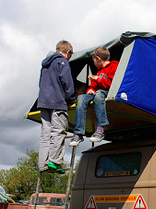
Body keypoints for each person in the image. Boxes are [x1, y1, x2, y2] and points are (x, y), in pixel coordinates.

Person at [37, 40, 75, 173]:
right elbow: (67, 82)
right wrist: (71, 99)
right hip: (58, 102)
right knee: (58, 131)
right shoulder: (62, 62)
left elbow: (40, 83)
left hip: (44, 102)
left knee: (45, 133)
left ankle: (43, 164)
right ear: (67, 52)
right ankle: (55, 161)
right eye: (70, 55)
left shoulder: (45, 65)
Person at [69, 47, 118, 146]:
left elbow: (114, 84)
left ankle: (100, 128)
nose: (94, 63)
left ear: (98, 59)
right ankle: (78, 133)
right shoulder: (99, 72)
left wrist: (98, 80)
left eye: (94, 60)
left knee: (99, 94)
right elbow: (93, 85)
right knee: (81, 98)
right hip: (96, 93)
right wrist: (90, 89)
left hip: (107, 93)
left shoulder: (114, 66)